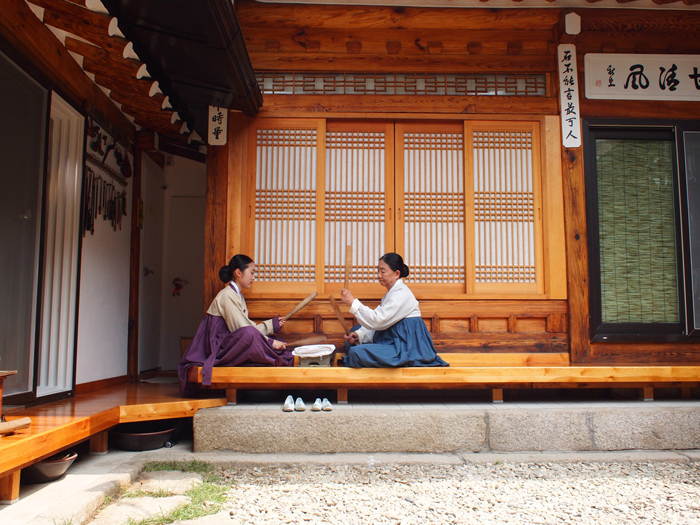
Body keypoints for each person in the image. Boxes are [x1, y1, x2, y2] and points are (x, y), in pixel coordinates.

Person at [178, 254, 293, 396]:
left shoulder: (237, 295)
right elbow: (243, 330)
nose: (253, 277)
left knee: (276, 342)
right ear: (238, 272)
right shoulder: (227, 295)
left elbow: (246, 328)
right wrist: (269, 341)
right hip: (217, 346)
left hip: (229, 342)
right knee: (261, 340)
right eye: (251, 273)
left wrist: (272, 326)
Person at [339, 253, 448, 368]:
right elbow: (379, 323)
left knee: (356, 352)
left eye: (383, 271)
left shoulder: (402, 294)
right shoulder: (391, 294)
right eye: (378, 271)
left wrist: (353, 302)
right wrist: (358, 335)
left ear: (396, 274)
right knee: (354, 332)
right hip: (392, 341)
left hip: (406, 347)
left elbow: (378, 320)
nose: (379, 275)